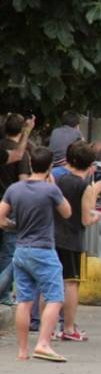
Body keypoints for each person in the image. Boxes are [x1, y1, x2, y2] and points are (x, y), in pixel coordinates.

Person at [0, 147, 72, 362]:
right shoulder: (50, 190)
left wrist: (15, 226)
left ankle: (23, 350)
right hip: (43, 249)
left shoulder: (15, 189)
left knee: (24, 300)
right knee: (55, 296)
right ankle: (43, 343)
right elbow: (67, 212)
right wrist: (54, 186)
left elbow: (1, 218)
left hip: (21, 249)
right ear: (50, 167)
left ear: (30, 164)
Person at [54, 141, 101, 341]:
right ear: (90, 165)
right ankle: (68, 327)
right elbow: (86, 218)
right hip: (72, 238)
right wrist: (96, 215)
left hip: (54, 235)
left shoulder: (60, 180)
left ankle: (47, 326)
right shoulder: (85, 186)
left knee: (50, 282)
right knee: (71, 283)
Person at [0, 114, 32, 306]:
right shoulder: (23, 153)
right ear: (21, 131)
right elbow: (23, 181)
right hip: (11, 205)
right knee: (10, 252)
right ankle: (3, 294)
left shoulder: (1, 147)